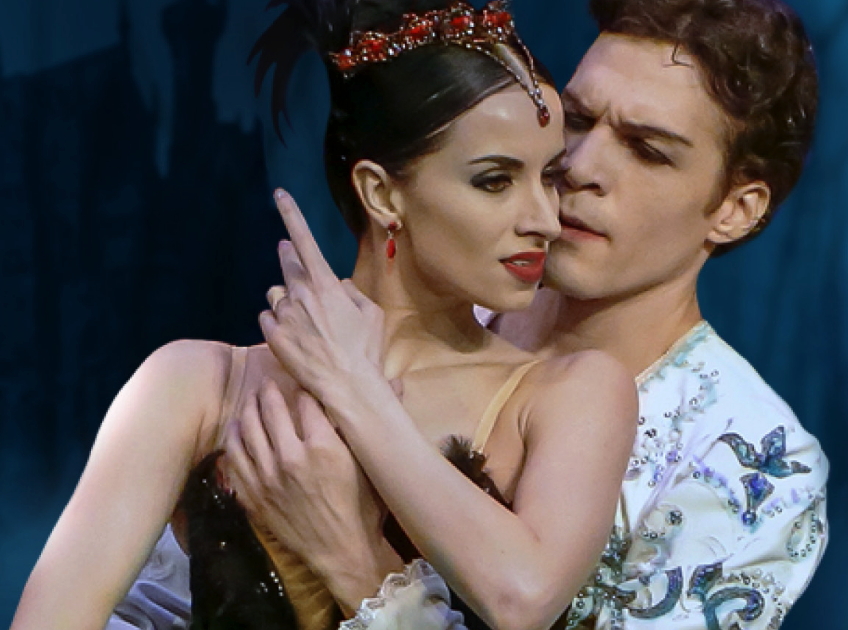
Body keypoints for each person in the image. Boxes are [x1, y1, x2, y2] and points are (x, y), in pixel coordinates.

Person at [10, 1, 638, 629]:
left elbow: (522, 599)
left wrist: (357, 392)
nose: (546, 220)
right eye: (496, 181)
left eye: (550, 177)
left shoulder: (573, 395)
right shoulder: (196, 384)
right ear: (382, 193)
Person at [215, 0, 829, 628]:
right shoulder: (427, 305)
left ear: (735, 209)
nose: (579, 167)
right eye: (578, 120)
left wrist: (355, 562)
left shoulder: (750, 460)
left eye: (647, 150)